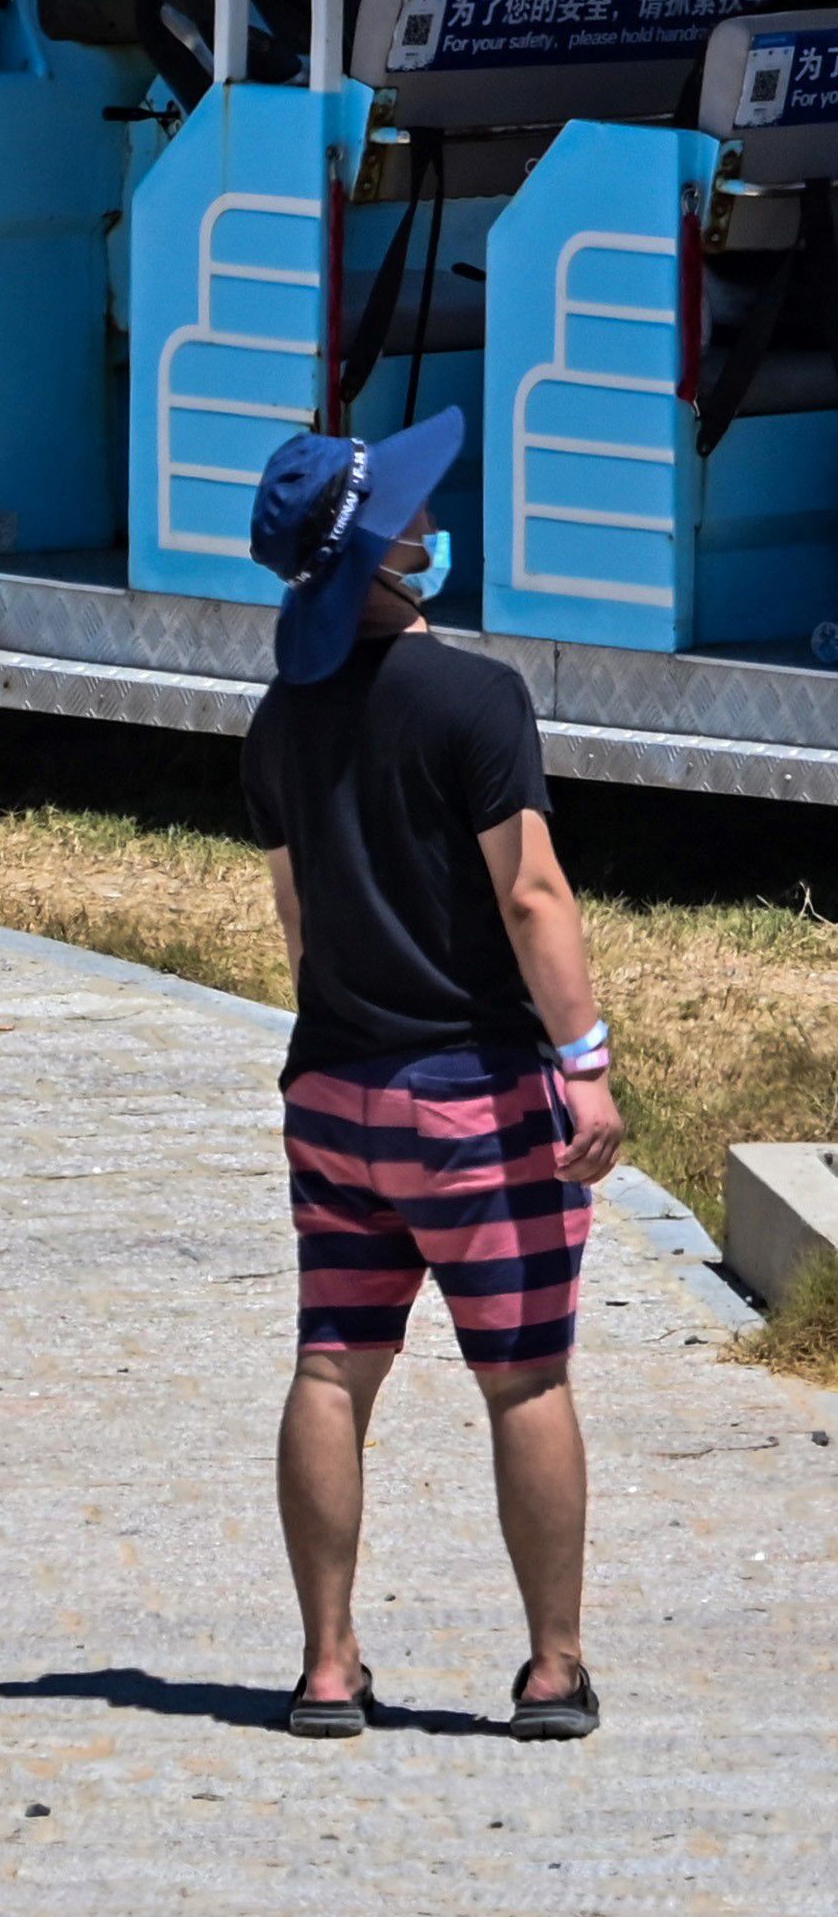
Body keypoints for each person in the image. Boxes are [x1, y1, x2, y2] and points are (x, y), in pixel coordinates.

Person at [241, 410, 617, 1745]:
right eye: (406, 515)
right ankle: (551, 1669)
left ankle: (327, 1667)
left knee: (332, 1368)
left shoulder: (276, 720)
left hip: (331, 1093)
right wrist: (584, 1065)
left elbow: (295, 921)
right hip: (470, 1096)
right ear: (379, 557)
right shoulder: (473, 696)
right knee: (523, 1378)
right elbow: (531, 893)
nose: (425, 523)